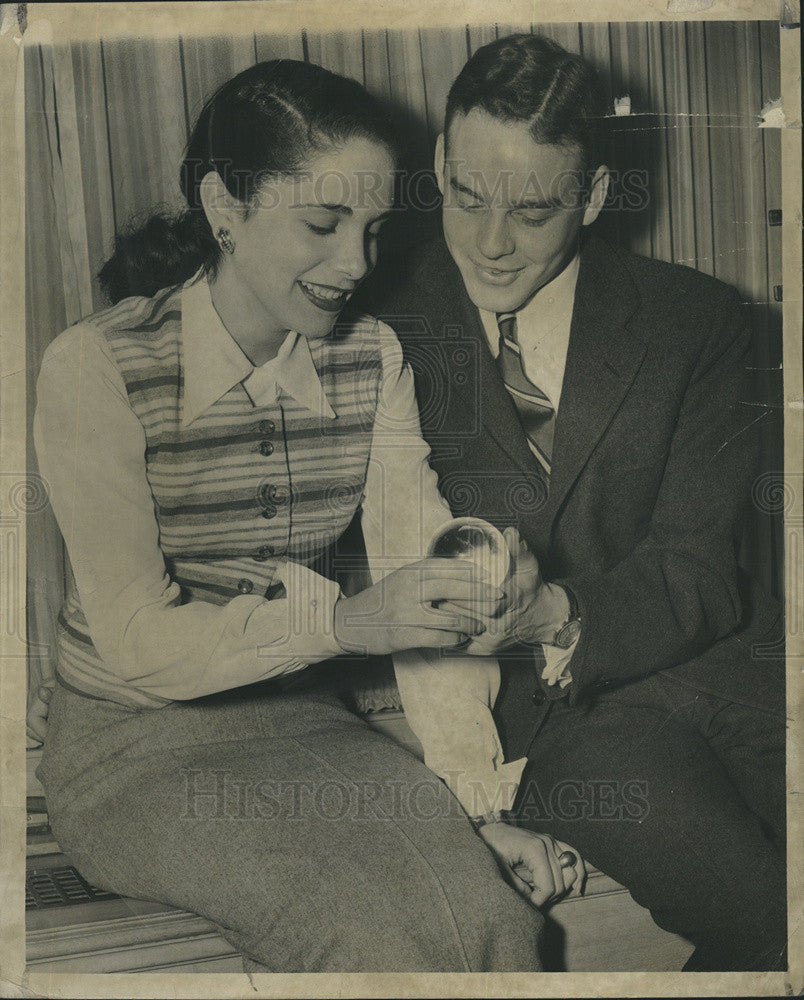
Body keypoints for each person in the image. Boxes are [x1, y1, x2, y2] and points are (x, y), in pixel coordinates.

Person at [31, 59, 582, 974]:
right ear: (224, 206)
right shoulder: (96, 366)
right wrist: (340, 621)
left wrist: (472, 802)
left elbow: (419, 565)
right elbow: (131, 640)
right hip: (130, 747)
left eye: (371, 228)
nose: (355, 264)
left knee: (487, 920)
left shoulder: (373, 357)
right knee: (372, 937)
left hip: (302, 720)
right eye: (322, 224)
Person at [357, 33, 787, 972]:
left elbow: (702, 570)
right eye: (465, 198)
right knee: (771, 927)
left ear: (593, 196)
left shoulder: (700, 322)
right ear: (438, 165)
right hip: (561, 729)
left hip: (736, 665)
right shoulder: (373, 320)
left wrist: (553, 608)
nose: (491, 241)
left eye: (535, 208)